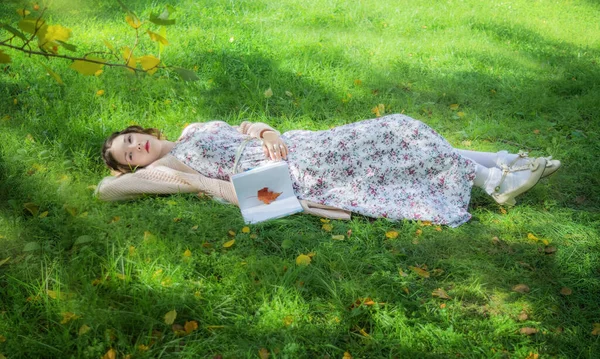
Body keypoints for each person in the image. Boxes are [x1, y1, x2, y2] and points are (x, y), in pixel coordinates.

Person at [96, 114, 560, 227]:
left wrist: (266, 131)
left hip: (293, 143)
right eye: (130, 155)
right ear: (136, 167)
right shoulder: (172, 166)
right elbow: (105, 192)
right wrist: (122, 177)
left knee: (397, 129)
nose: (137, 148)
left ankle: (500, 164)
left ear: (144, 130)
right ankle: (494, 177)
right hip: (291, 171)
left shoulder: (195, 127)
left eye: (132, 139)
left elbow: (248, 124)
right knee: (390, 137)